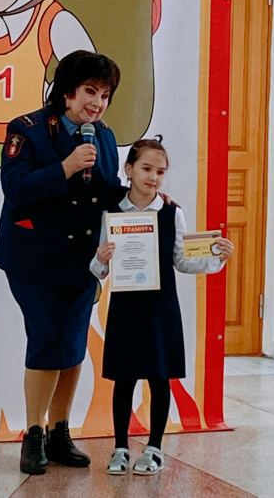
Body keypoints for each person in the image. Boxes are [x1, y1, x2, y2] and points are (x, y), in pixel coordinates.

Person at [0, 50, 127, 475]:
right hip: (33, 258)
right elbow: (16, 190)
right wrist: (67, 166)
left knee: (71, 345)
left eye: (104, 95)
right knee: (48, 339)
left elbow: (106, 191)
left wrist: (148, 201)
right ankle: (33, 435)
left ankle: (59, 433)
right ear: (67, 91)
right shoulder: (27, 130)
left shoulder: (103, 136)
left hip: (81, 261)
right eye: (90, 91)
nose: (98, 103)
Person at [90, 137, 234, 476]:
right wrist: (100, 260)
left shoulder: (172, 213)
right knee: (124, 378)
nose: (153, 177)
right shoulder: (111, 213)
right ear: (129, 170)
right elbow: (99, 269)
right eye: (146, 169)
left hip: (161, 308)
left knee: (159, 377)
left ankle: (155, 447)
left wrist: (217, 257)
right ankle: (121, 447)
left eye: (160, 172)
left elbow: (181, 260)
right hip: (125, 307)